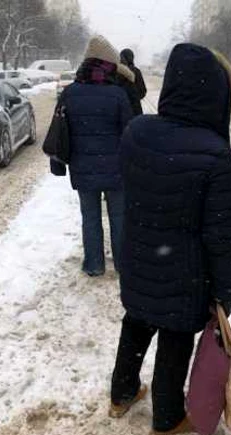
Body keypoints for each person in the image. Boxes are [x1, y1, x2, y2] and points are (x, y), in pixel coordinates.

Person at [109, 44, 231, 435]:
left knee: (136, 322)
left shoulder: (137, 132)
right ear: (218, 94)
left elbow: (130, 191)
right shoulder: (216, 155)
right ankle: (166, 420)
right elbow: (220, 234)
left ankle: (122, 392)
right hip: (185, 273)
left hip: (137, 259)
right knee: (175, 338)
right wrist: (226, 289)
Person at [51, 35, 133, 276]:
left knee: (90, 217)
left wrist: (59, 162)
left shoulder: (70, 93)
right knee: (119, 217)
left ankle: (94, 264)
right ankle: (121, 264)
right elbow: (129, 132)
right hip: (116, 169)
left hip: (82, 167)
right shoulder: (117, 94)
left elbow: (60, 130)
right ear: (108, 66)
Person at [119, 48, 147, 115]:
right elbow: (143, 91)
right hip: (135, 109)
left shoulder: (118, 71)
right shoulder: (137, 71)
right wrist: (135, 98)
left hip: (120, 108)